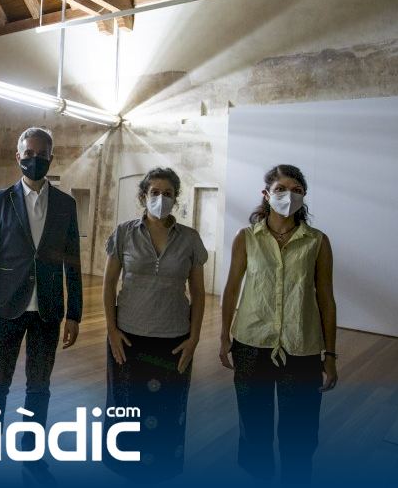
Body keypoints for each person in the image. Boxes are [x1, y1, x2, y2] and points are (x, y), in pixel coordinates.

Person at [0, 127, 83, 488]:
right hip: (6, 308)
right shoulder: (1, 200)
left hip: (48, 311)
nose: (35, 159)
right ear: (18, 156)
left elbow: (73, 262)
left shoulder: (65, 204)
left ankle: (32, 458)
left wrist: (75, 314)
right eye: (29, 153)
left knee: (39, 388)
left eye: (42, 154)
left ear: (51, 157)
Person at [218, 164, 338, 485]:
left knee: (300, 431)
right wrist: (223, 336)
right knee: (253, 426)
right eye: (281, 189)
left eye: (297, 190)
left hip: (302, 346)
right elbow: (232, 289)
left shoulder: (317, 242)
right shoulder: (246, 238)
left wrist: (330, 354)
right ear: (266, 194)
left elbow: (326, 299)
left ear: (304, 196)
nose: (289, 195)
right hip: (251, 343)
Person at [102, 167, 208, 482]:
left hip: (174, 338)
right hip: (128, 337)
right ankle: (123, 469)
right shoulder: (124, 233)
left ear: (176, 198)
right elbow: (109, 284)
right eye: (155, 192)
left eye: (168, 193)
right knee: (126, 406)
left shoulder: (190, 239)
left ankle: (162, 471)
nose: (161, 198)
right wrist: (111, 330)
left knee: (166, 408)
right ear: (143, 196)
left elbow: (199, 293)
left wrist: (194, 338)